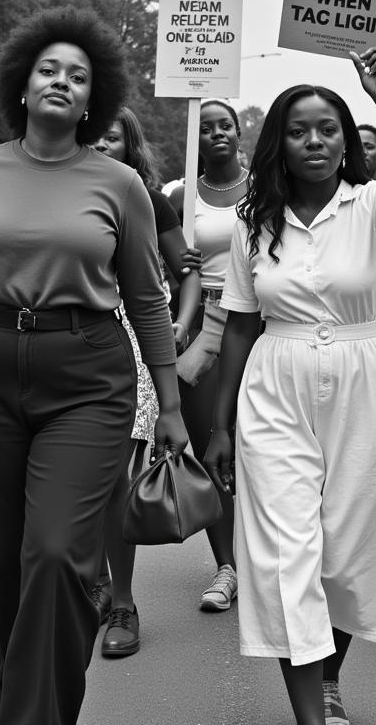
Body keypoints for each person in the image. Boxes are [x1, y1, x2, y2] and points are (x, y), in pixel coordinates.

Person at [0, 7, 188, 725]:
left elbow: (148, 300)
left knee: (57, 555)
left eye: (77, 76)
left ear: (93, 98)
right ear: (22, 85)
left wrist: (170, 407)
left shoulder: (119, 184)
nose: (62, 81)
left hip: (89, 374)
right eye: (49, 69)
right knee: (4, 564)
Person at [204, 48, 376, 725]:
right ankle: (312, 713)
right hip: (274, 387)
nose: (315, 141)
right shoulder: (253, 221)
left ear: (346, 141)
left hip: (361, 381)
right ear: (278, 143)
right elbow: (239, 326)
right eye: (299, 130)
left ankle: (328, 672)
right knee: (289, 554)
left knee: (348, 554)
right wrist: (219, 425)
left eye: (328, 129)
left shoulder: (373, 204)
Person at [91, 108, 201, 658]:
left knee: (114, 480)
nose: (102, 144)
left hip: (130, 340)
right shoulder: (57, 186)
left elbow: (187, 268)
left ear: (130, 144)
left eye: (113, 137)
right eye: (96, 135)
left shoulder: (147, 200)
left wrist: (180, 319)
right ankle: (89, 582)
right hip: (60, 348)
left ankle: (123, 602)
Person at [168, 99, 247, 612]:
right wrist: (182, 262)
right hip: (199, 326)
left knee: (259, 448)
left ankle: (273, 556)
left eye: (226, 126)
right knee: (210, 447)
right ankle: (226, 567)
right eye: (207, 126)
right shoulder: (180, 196)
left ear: (240, 134)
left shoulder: (268, 188)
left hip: (255, 322)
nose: (217, 133)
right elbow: (172, 260)